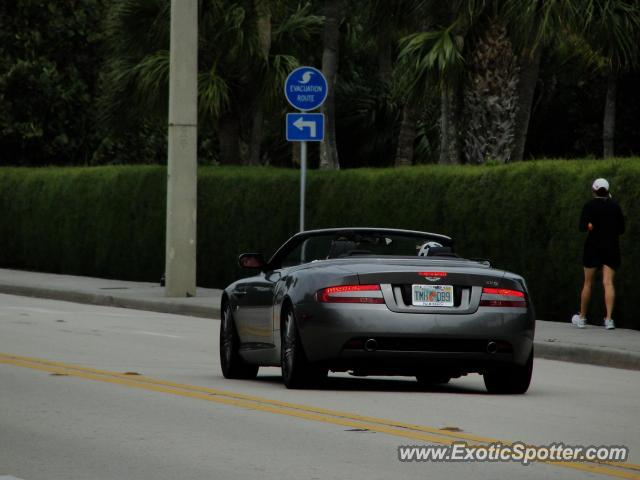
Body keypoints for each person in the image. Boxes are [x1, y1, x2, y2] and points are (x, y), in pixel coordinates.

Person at [571, 178, 625, 330]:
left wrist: (590, 226)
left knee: (588, 283)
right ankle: (609, 319)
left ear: (594, 190)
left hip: (593, 247)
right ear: (608, 191)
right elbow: (622, 229)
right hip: (611, 248)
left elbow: (582, 226)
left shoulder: (589, 206)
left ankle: (582, 318)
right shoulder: (615, 207)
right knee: (608, 283)